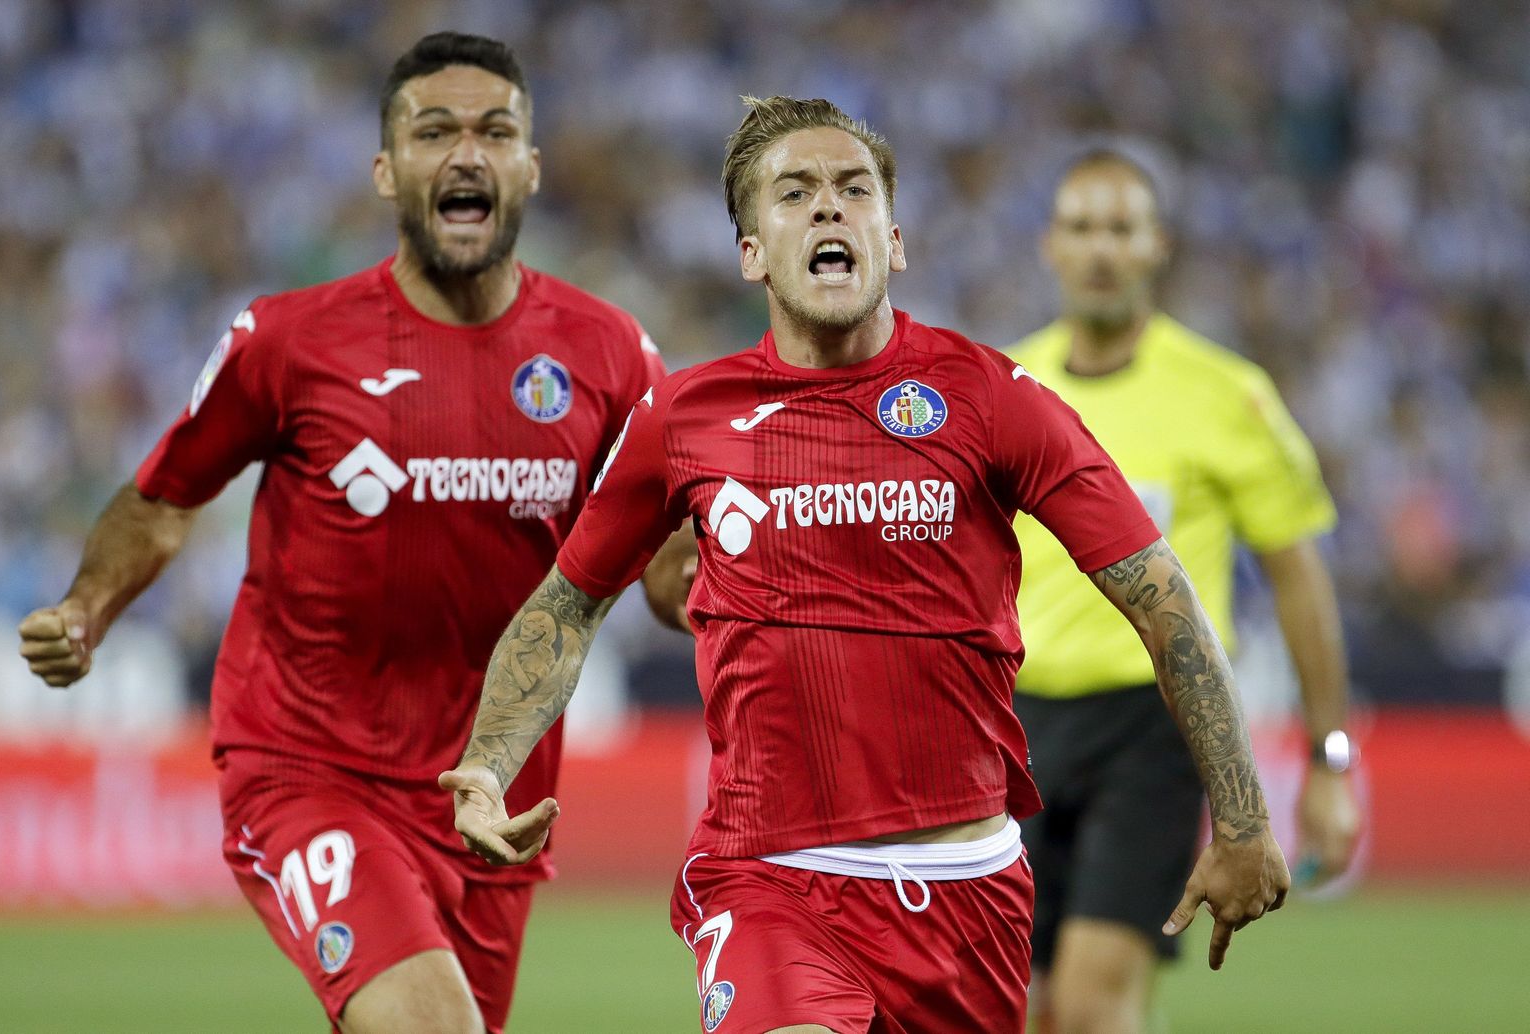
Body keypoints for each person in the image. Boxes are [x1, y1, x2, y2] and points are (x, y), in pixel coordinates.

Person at [440, 96, 1289, 1034]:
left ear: (893, 236)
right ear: (752, 251)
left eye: (853, 189)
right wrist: (487, 764)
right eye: (794, 193)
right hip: (771, 878)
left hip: (968, 892)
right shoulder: (684, 419)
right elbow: (568, 606)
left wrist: (1243, 816)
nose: (828, 209)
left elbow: (1163, 600)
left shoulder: (994, 401)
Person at [16, 32, 665, 1034]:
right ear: (385, 169)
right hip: (310, 766)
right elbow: (164, 497)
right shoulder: (289, 341)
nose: (465, 154)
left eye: (496, 131)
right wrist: (85, 607)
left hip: (490, 797)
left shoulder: (610, 354)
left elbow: (671, 563)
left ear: (530, 166)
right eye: (432, 130)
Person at [1007, 149, 1362, 1034]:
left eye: (1121, 228)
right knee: (1008, 1007)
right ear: (1050, 244)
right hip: (1012, 726)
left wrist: (1330, 762)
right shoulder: (1004, 389)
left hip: (1154, 724)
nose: (1100, 249)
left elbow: (1299, 582)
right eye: (1082, 227)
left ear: (1156, 245)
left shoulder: (1226, 396)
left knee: (1091, 1006)